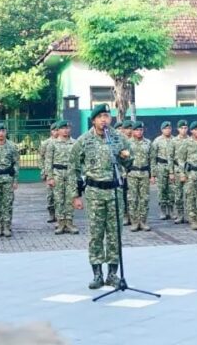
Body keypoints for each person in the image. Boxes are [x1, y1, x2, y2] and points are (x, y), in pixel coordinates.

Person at [71, 104, 132, 289]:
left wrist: (126, 158)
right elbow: (74, 168)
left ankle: (112, 274)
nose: (104, 120)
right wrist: (76, 195)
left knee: (115, 234)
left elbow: (129, 163)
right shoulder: (84, 140)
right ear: (94, 120)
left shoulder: (118, 138)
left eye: (107, 116)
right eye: (100, 117)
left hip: (114, 192)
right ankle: (97, 274)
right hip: (95, 192)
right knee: (96, 234)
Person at [44, 120, 79, 234]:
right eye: (63, 128)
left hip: (70, 174)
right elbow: (48, 161)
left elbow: (78, 161)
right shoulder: (52, 144)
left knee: (70, 198)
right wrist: (50, 177)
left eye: (67, 128)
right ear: (58, 130)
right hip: (57, 174)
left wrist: (78, 176)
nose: (65, 130)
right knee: (58, 199)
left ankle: (69, 222)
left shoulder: (74, 143)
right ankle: (60, 223)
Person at [126, 121, 154, 232]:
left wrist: (153, 175)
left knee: (144, 199)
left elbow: (152, 159)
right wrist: (124, 174)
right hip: (132, 174)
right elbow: (123, 160)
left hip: (144, 174)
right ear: (133, 131)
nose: (139, 132)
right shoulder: (127, 143)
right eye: (137, 130)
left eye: (141, 130)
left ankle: (143, 221)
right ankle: (134, 222)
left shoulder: (148, 143)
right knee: (133, 199)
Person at [151, 121, 176, 220]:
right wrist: (153, 173)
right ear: (162, 130)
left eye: (169, 128)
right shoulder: (157, 141)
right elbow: (153, 158)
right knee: (162, 189)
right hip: (161, 166)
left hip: (172, 167)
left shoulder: (174, 140)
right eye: (165, 128)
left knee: (172, 189)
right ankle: (163, 210)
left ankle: (171, 209)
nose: (168, 130)